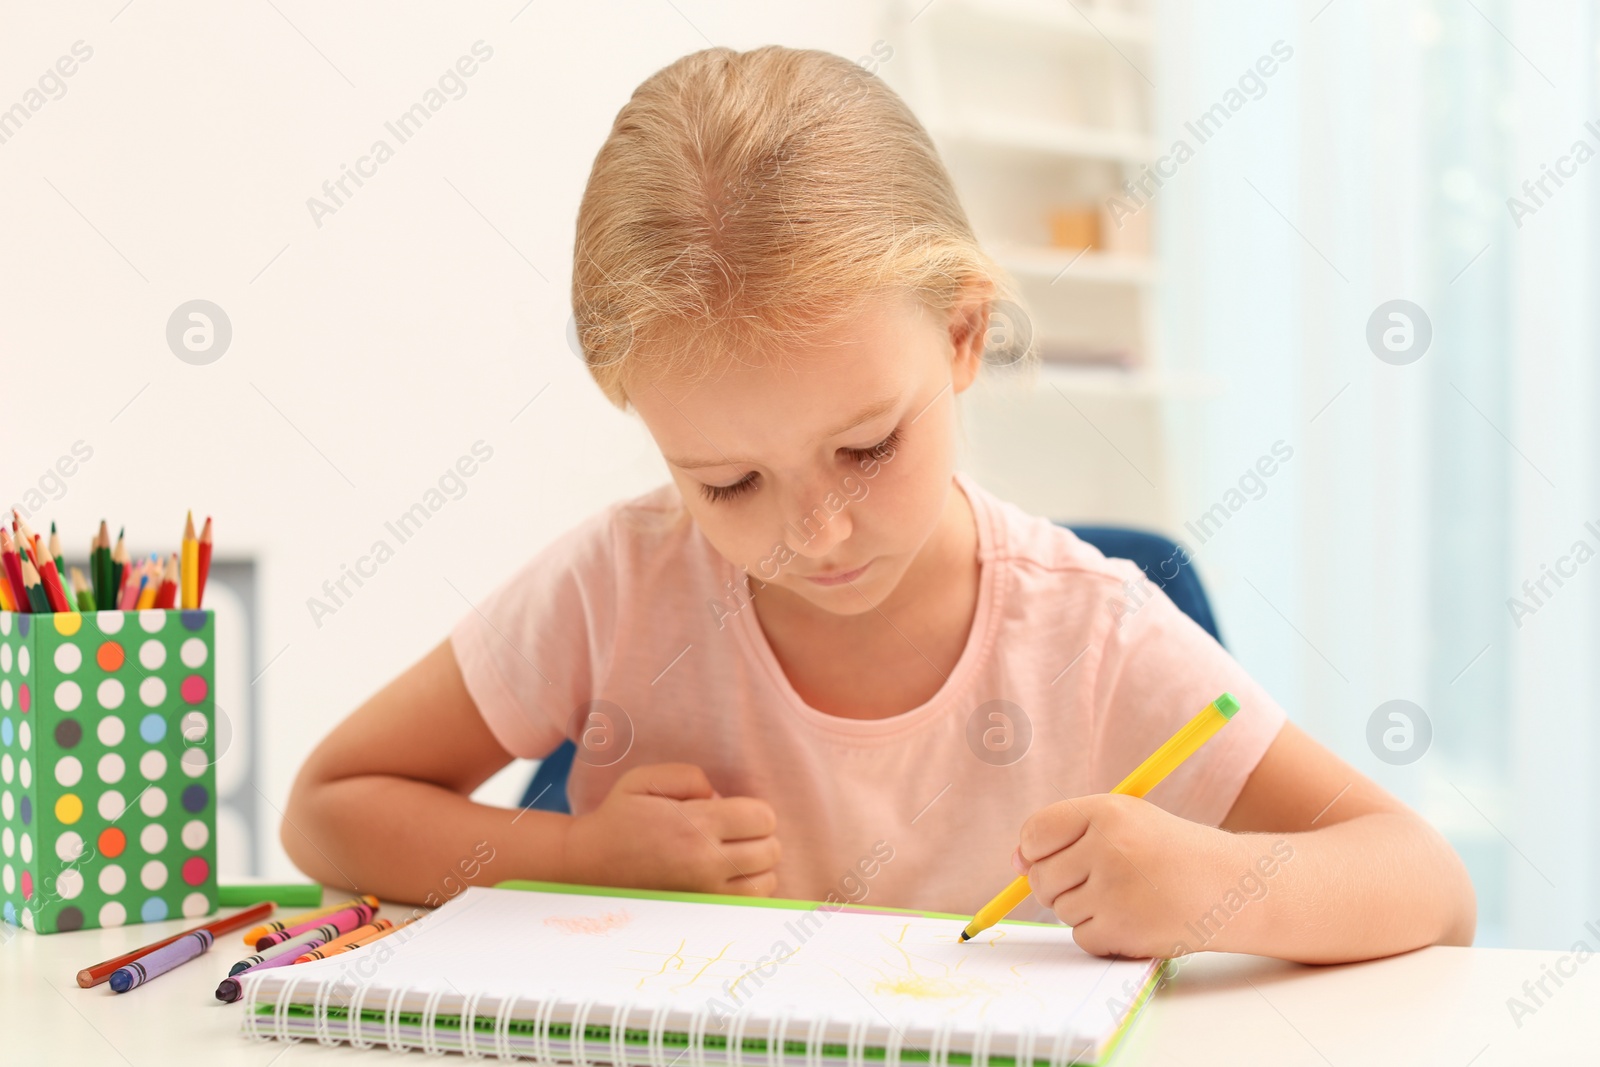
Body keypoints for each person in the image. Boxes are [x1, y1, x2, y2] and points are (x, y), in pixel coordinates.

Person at [282, 45, 1474, 963]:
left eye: (864, 447)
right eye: (727, 482)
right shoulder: (617, 583)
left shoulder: (1090, 634)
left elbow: (1424, 879)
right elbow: (329, 810)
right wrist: (580, 853)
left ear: (962, 333)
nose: (813, 534)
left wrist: (1217, 885)